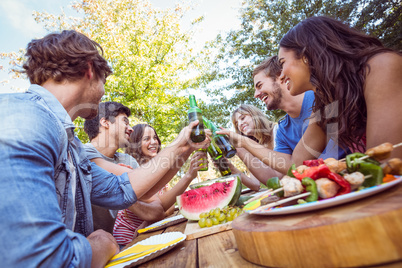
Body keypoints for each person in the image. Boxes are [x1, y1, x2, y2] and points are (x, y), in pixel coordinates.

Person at [0, 30, 210, 267]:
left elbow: (120, 190)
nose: (103, 93)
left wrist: (182, 146)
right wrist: (103, 244)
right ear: (89, 70)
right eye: (104, 82)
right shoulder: (23, 120)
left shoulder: (71, 145)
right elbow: (41, 258)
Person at [219, 16, 401, 174]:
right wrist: (241, 141)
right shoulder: (328, 104)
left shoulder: (380, 67)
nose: (281, 75)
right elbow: (294, 164)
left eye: (282, 63)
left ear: (306, 56)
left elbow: (385, 162)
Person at [113, 123, 207, 246]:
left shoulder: (158, 170)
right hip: (129, 238)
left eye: (155, 137)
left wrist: (149, 220)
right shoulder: (131, 171)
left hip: (150, 232)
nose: (153, 142)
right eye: (146, 139)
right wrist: (153, 216)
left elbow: (168, 207)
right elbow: (160, 206)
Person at [83, 101, 139, 233]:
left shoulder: (127, 160)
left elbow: (151, 199)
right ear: (105, 122)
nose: (131, 128)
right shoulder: (82, 155)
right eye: (125, 122)